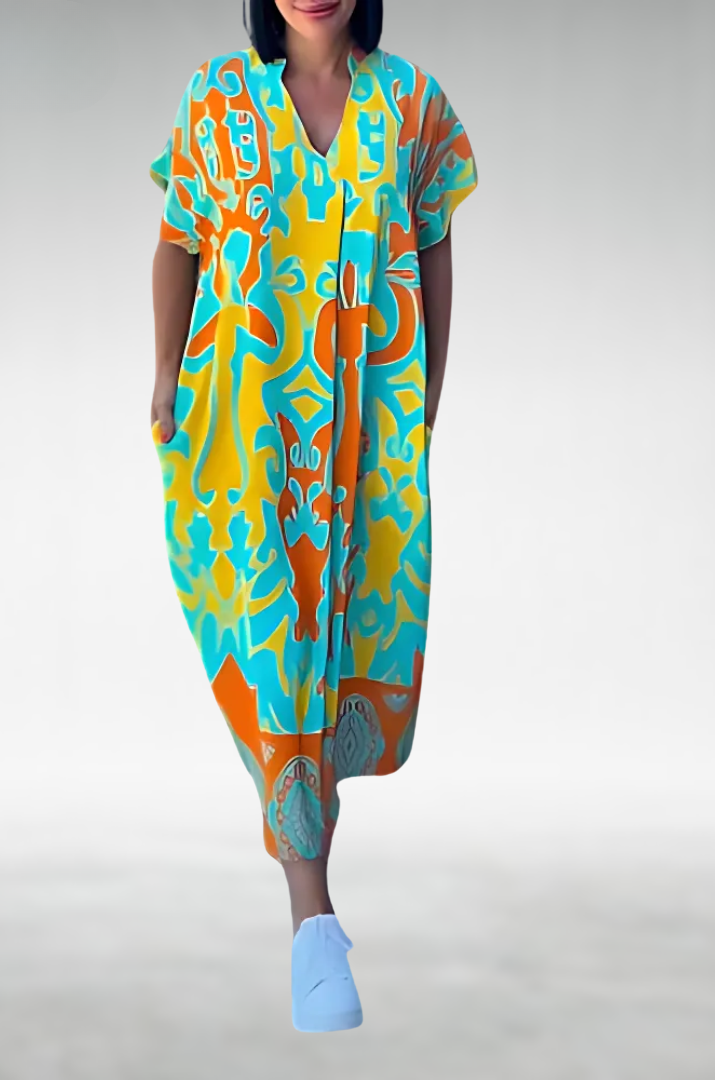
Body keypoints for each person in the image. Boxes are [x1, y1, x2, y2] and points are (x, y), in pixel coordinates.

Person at [148, 0, 477, 1032]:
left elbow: (433, 246)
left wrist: (426, 393)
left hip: (368, 433)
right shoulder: (217, 99)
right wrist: (164, 375)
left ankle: (311, 889)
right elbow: (178, 240)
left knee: (349, 643)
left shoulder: (413, 104)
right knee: (279, 644)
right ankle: (313, 916)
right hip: (245, 429)